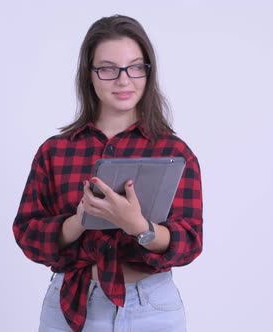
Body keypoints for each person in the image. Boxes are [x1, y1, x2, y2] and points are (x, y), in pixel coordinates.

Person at [13, 14, 203, 332]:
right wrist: (78, 220)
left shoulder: (175, 154)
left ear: (148, 72)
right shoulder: (55, 151)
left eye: (135, 67)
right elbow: (27, 234)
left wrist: (139, 227)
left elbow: (190, 241)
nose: (123, 80)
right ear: (89, 74)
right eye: (108, 68)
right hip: (69, 305)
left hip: (150, 309)